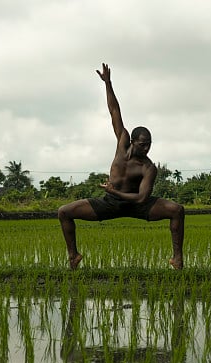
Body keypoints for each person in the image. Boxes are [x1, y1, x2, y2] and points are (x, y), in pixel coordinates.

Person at [58, 63, 185, 270]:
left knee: (177, 210)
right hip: (110, 202)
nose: (147, 149)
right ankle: (73, 256)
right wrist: (108, 83)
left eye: (149, 145)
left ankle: (177, 259)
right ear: (133, 141)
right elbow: (114, 110)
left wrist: (115, 191)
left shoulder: (148, 167)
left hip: (137, 205)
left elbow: (142, 198)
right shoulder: (122, 141)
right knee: (64, 212)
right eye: (143, 145)